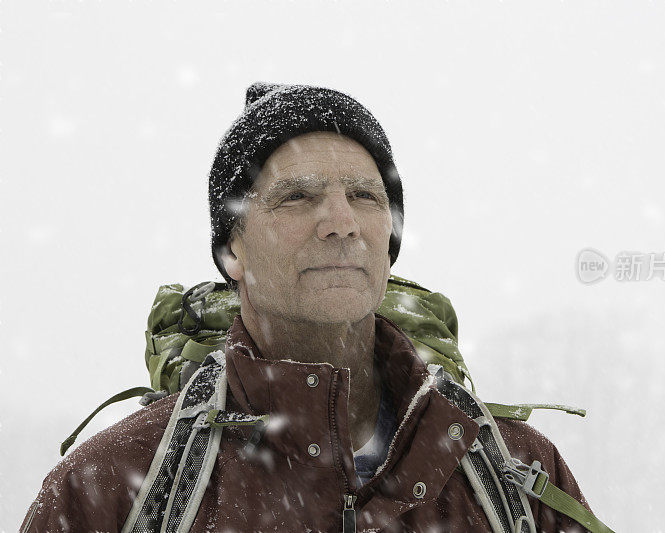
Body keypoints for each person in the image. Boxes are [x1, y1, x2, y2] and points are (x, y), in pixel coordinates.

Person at [21, 83, 594, 532]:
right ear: (232, 249)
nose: (341, 223)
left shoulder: (513, 477)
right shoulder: (113, 486)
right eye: (296, 196)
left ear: (389, 244)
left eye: (365, 197)